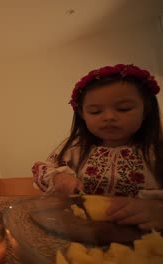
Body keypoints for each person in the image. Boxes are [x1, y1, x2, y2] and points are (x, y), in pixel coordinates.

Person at [32, 64, 163, 231]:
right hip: (80, 233)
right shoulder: (74, 147)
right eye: (95, 111)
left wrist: (158, 211)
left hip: (147, 242)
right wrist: (58, 178)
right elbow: (44, 170)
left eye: (124, 109)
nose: (109, 117)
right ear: (82, 114)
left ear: (146, 110)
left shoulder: (157, 150)